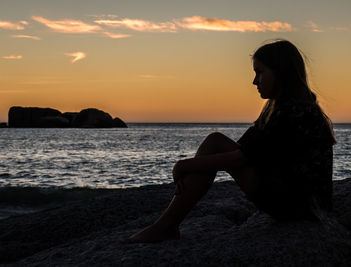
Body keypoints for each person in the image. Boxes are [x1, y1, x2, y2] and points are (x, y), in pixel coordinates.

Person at [121, 39, 336, 244]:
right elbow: (248, 148)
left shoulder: (295, 111)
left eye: (259, 73)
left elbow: (241, 158)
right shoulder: (282, 106)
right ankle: (167, 225)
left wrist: (184, 165)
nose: (254, 81)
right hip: (295, 200)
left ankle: (166, 226)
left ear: (280, 72)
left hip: (298, 206)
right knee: (215, 142)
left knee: (215, 143)